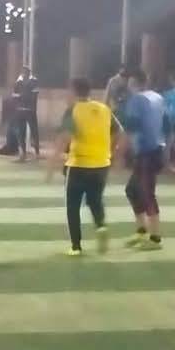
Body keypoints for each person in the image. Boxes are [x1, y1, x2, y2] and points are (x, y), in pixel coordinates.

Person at [46, 78, 119, 257]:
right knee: (95, 200)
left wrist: (52, 165)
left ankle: (76, 246)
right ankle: (101, 227)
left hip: (79, 164)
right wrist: (110, 152)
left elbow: (64, 138)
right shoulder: (104, 109)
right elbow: (119, 133)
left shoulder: (73, 110)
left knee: (73, 206)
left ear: (73, 92)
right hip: (101, 165)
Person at [123, 70, 167, 251]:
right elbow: (167, 125)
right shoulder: (158, 98)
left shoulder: (136, 100)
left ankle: (155, 238)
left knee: (147, 193)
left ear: (133, 82)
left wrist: (120, 152)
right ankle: (141, 231)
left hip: (146, 152)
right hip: (156, 150)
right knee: (132, 190)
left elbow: (130, 128)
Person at [13, 66, 40, 160]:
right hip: (20, 110)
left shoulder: (34, 81)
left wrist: (22, 96)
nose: (24, 73)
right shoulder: (18, 81)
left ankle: (37, 153)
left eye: (26, 72)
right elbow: (14, 95)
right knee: (20, 132)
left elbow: (34, 95)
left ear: (29, 72)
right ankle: (23, 153)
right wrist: (21, 99)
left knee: (34, 131)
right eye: (23, 71)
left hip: (30, 110)